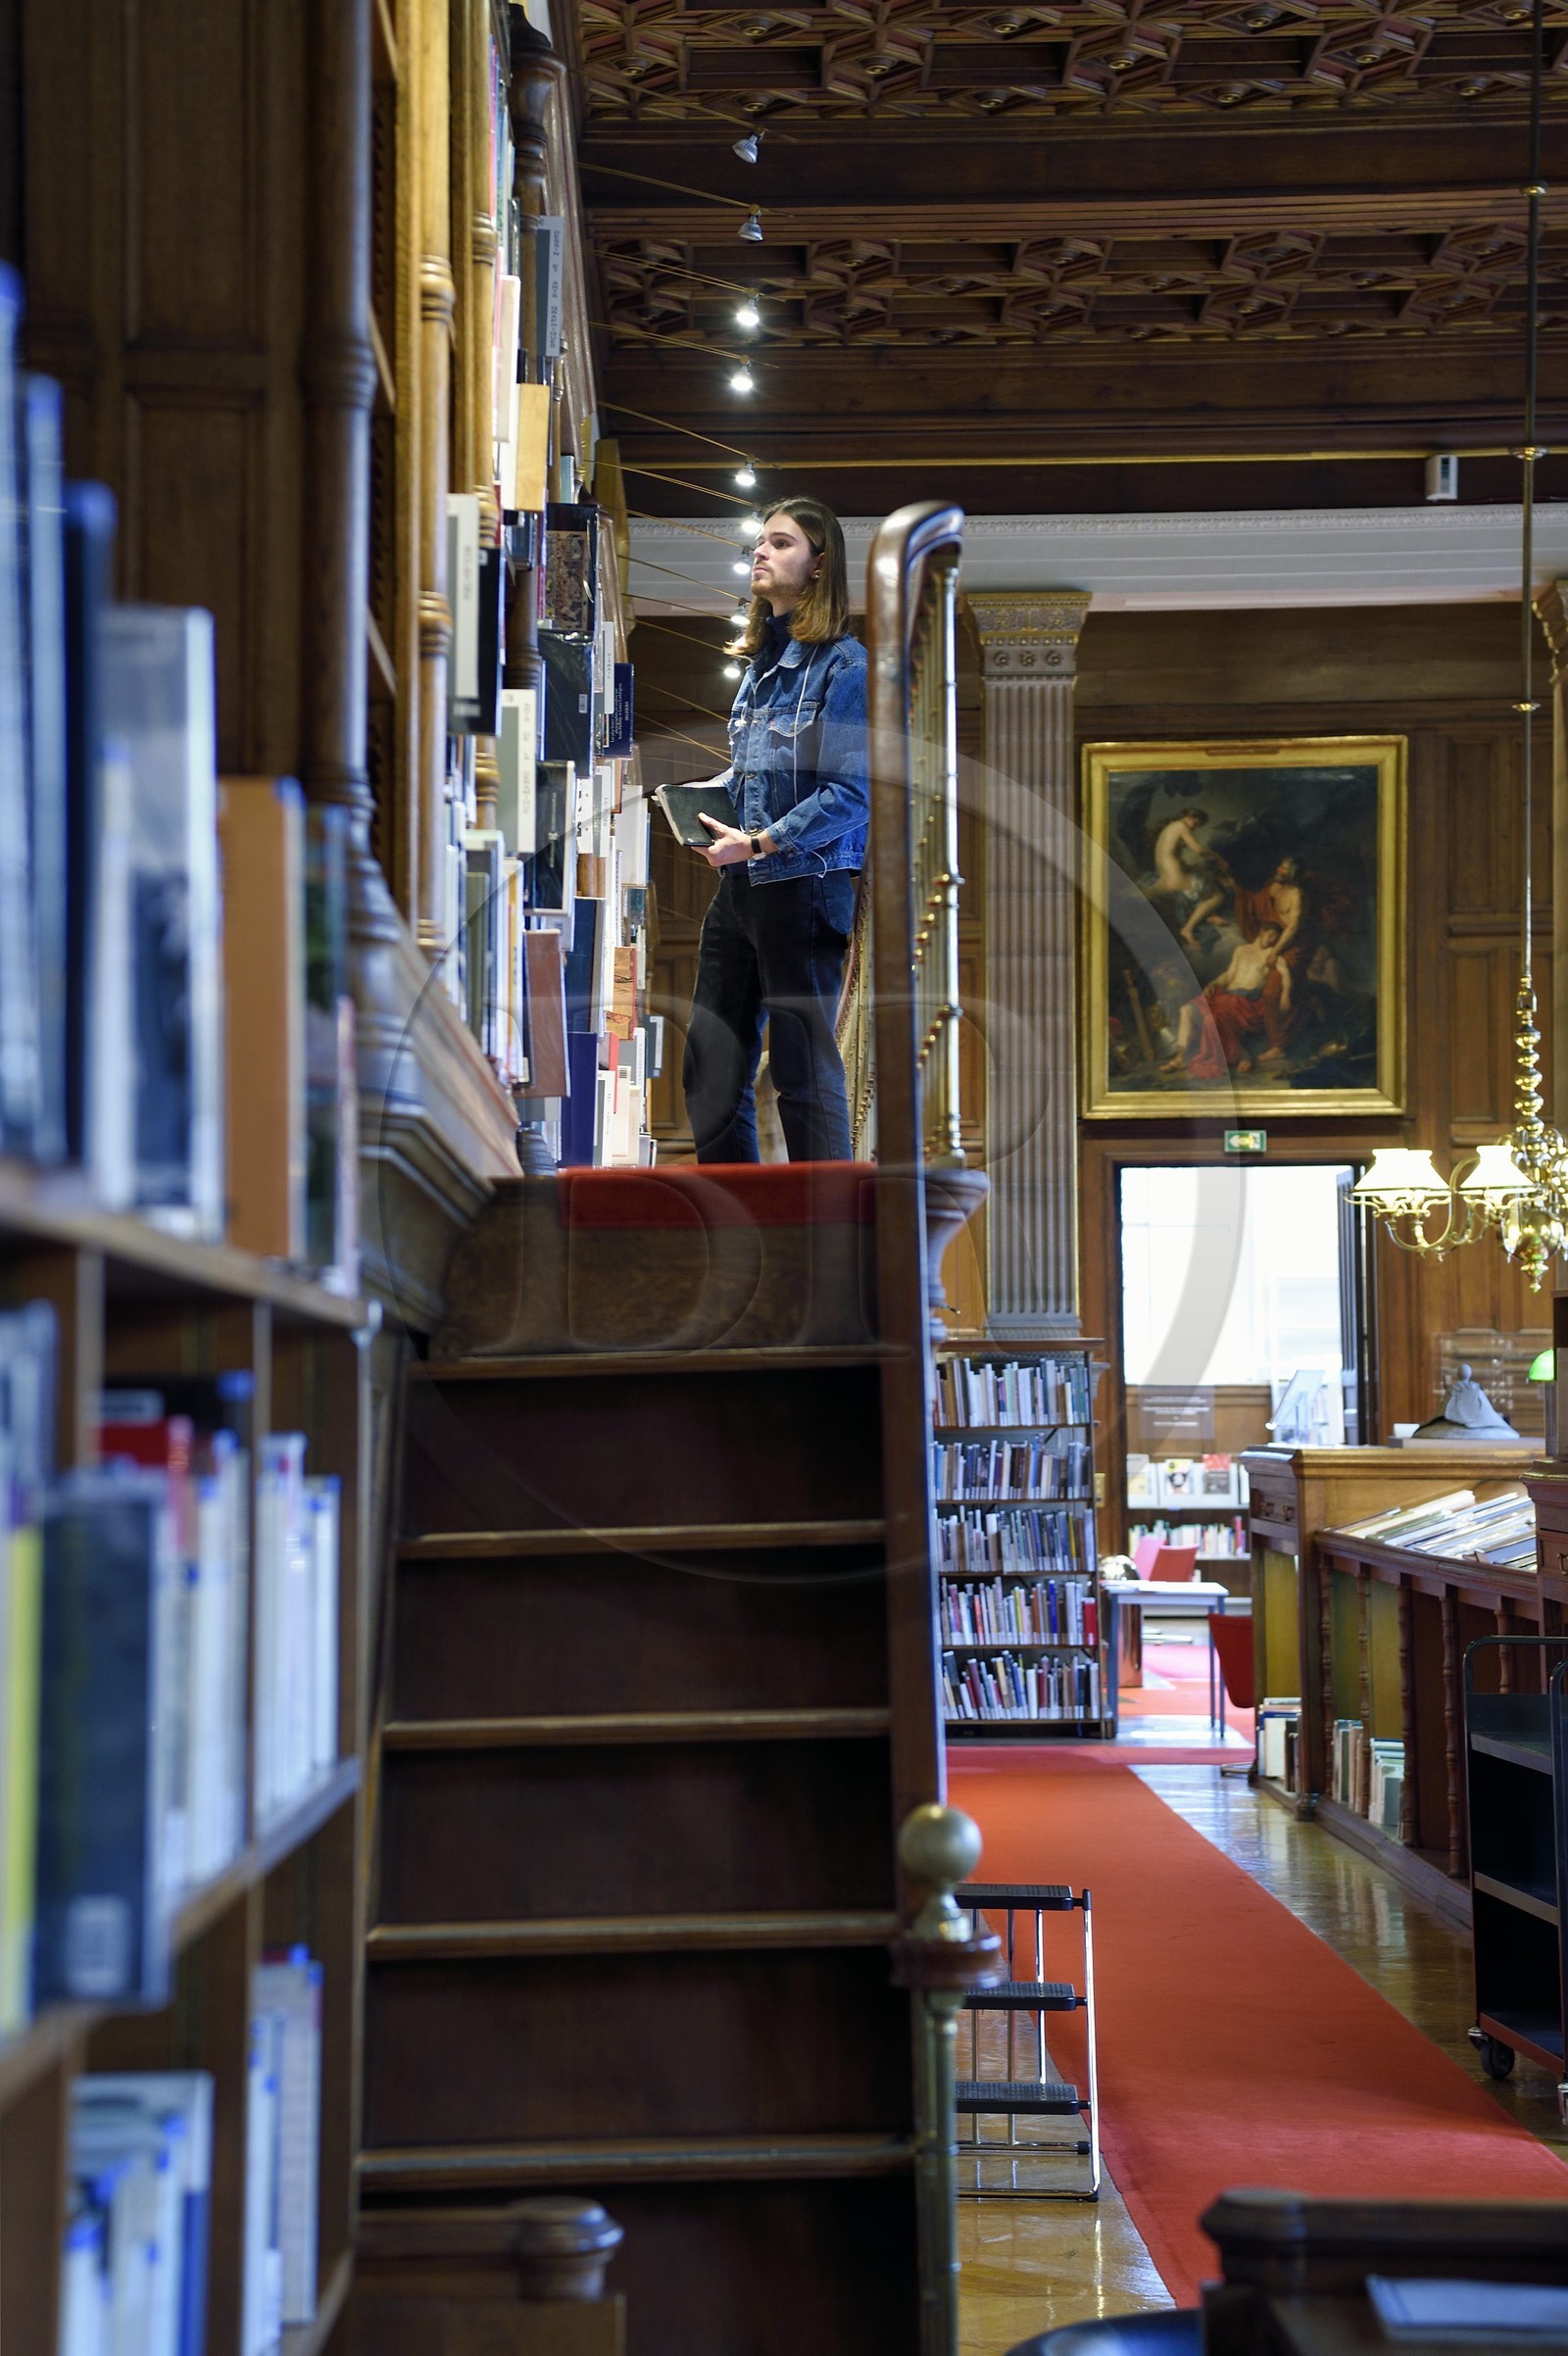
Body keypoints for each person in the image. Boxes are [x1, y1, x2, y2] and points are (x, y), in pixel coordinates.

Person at [679, 497, 868, 1162]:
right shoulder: (759, 670)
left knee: (802, 1073)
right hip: (743, 885)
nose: (760, 552)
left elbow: (854, 795)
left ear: (819, 566)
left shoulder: (845, 667)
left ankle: (824, 1236)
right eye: (760, 542)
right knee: (708, 1068)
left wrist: (759, 842)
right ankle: (736, 1227)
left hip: (805, 886)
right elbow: (750, 780)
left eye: (781, 543)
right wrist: (703, 801)